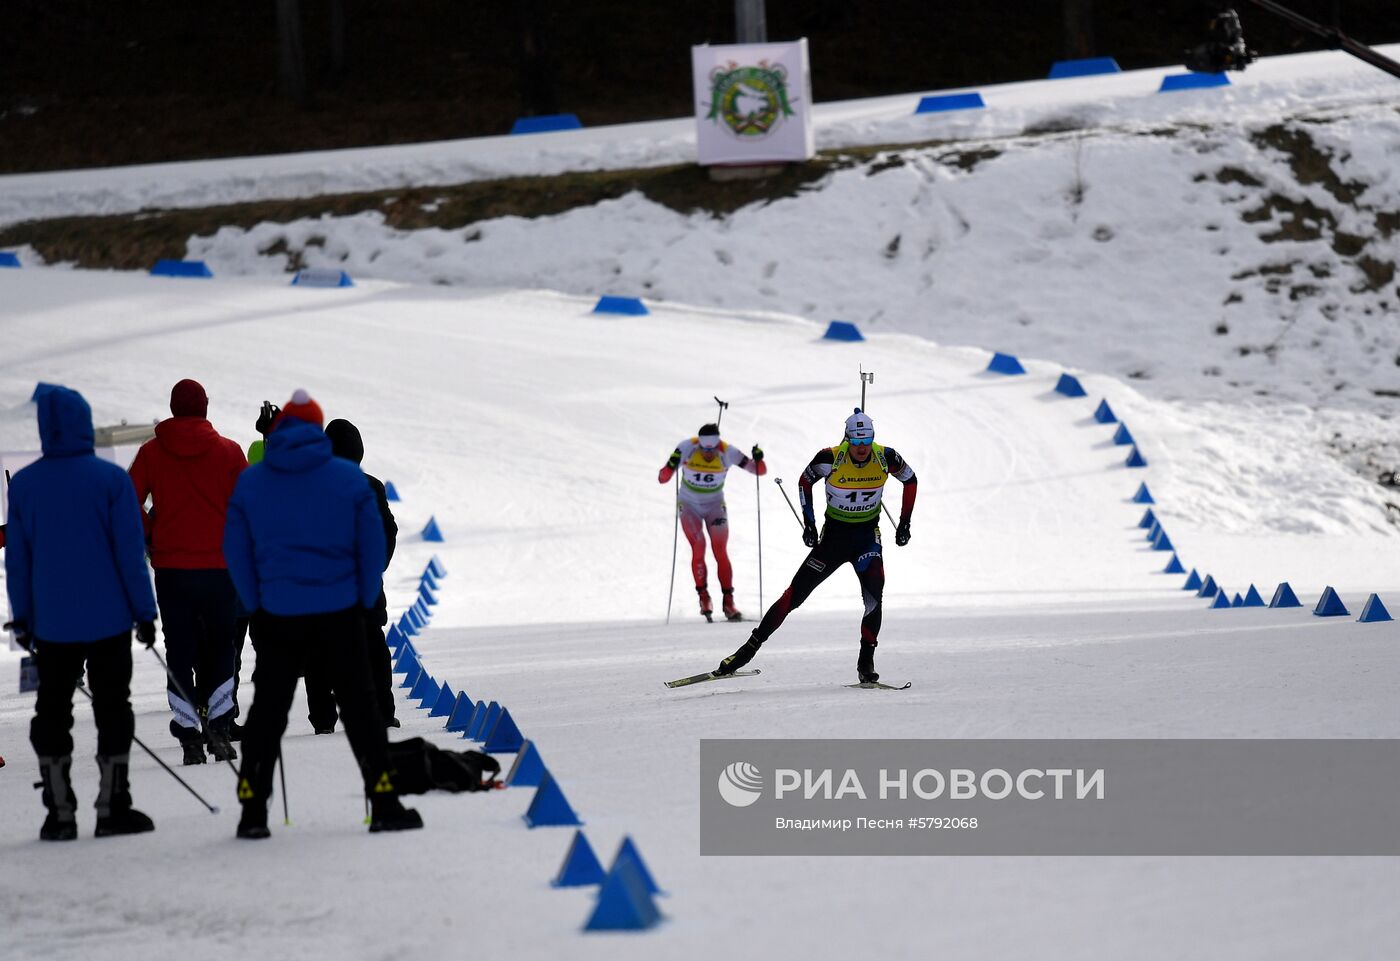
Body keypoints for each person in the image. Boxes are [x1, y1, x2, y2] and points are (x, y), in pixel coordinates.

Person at [223, 389, 420, 839]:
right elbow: (372, 546)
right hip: (339, 611)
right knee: (362, 711)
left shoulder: (255, 482)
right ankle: (384, 801)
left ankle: (253, 810)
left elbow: (236, 548)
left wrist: (257, 602)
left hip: (278, 614)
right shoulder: (347, 481)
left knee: (267, 714)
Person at [4, 385, 160, 841]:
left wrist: (23, 618)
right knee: (114, 710)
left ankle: (60, 812)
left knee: (51, 713)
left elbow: (19, 559)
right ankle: (113, 807)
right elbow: (130, 553)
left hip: (51, 625)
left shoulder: (27, 485)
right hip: (110, 620)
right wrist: (143, 610)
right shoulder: (110, 481)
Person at [715, 409, 917, 684]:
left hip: (867, 538)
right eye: (856, 442)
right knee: (793, 596)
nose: (861, 448)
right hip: (834, 539)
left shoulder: (886, 456)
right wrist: (809, 524)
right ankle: (747, 651)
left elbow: (911, 480)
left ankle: (866, 661)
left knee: (874, 596)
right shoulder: (830, 457)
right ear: (847, 439)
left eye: (866, 441)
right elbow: (804, 481)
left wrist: (904, 523)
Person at [129, 379, 248, 766]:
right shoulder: (230, 452)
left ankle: (189, 736)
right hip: (220, 568)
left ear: (174, 407)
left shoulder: (151, 452)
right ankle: (220, 727)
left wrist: (152, 532)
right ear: (205, 408)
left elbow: (128, 501)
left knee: (179, 648)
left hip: (172, 569)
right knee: (221, 646)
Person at [304, 418, 400, 733]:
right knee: (372, 647)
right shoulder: (372, 487)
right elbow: (388, 532)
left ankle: (322, 719)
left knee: (318, 652)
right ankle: (383, 713)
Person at [658, 423, 766, 621]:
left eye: (711, 449)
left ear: (717, 445)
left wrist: (759, 458)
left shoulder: (727, 451)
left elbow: (759, 471)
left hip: (715, 505)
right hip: (689, 505)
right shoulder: (686, 447)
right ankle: (704, 597)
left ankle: (728, 602)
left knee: (720, 550)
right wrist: (671, 464)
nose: (708, 453)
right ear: (698, 444)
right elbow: (663, 479)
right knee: (698, 546)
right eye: (704, 449)